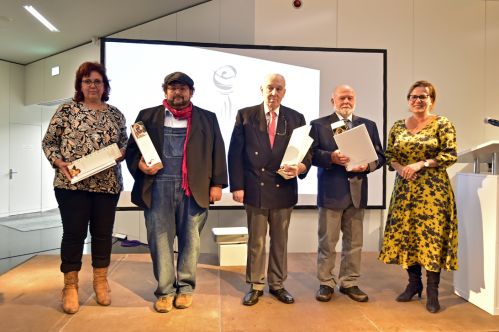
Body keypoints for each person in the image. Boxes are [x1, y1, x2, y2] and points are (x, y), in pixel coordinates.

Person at [125, 72, 228, 313]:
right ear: (165, 91)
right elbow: (132, 150)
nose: (178, 92)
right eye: (173, 87)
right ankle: (165, 291)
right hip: (157, 186)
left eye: (183, 88)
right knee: (159, 241)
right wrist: (140, 164)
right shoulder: (146, 116)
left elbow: (218, 151)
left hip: (194, 189)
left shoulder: (207, 118)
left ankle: (186, 288)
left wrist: (217, 184)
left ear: (191, 92)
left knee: (190, 241)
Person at [42, 61, 127, 314]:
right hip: (71, 185)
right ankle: (70, 286)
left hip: (107, 185)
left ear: (105, 86)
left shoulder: (115, 114)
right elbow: (49, 143)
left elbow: (125, 144)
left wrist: (121, 153)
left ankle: (101, 281)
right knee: (74, 234)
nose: (92, 85)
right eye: (87, 81)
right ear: (80, 85)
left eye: (97, 81)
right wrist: (59, 162)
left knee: (102, 234)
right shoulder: (66, 110)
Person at [228, 73, 311, 306]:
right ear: (261, 89)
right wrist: (237, 186)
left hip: (284, 187)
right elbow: (235, 153)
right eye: (269, 88)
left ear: (284, 91)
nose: (273, 93)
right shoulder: (246, 115)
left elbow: (307, 152)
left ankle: (277, 284)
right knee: (256, 241)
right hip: (255, 187)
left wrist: (302, 166)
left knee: (280, 241)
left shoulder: (296, 118)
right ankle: (255, 285)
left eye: (278, 89)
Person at [379, 80, 458, 313]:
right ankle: (414, 284)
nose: (418, 100)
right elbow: (389, 155)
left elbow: (449, 155)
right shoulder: (397, 126)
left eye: (423, 96)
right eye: (413, 96)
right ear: (408, 100)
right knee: (408, 236)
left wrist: (421, 163)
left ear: (431, 99)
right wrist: (400, 166)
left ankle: (433, 291)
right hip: (405, 190)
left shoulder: (442, 124)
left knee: (431, 239)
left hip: (433, 192)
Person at [310, 84, 385, 303]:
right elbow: (311, 155)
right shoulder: (319, 125)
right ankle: (326, 283)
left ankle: (349, 282)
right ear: (332, 100)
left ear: (355, 100)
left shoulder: (368, 125)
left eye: (350, 97)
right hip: (331, 193)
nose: (346, 101)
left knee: (354, 243)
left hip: (357, 192)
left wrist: (367, 166)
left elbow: (380, 156)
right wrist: (331, 157)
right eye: (342, 97)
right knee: (328, 242)